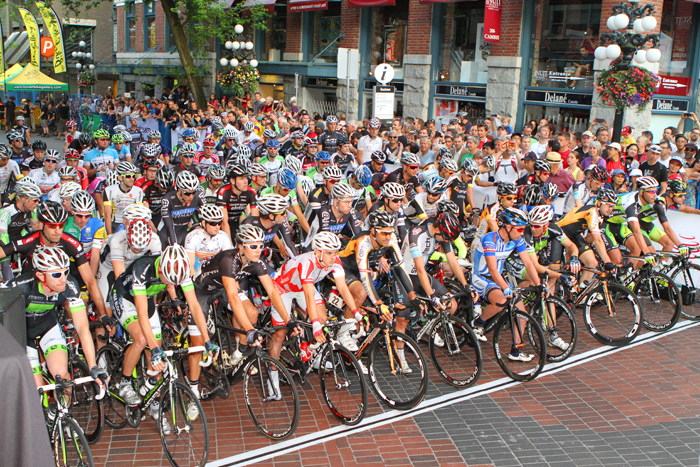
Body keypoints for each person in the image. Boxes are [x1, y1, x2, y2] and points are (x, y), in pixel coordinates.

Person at [109, 245, 218, 426]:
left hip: (147, 298)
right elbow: (142, 313)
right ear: (161, 269)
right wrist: (154, 347)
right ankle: (125, 383)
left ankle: (153, 402)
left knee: (156, 357)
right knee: (144, 339)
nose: (171, 284)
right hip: (125, 297)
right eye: (168, 280)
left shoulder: (180, 271)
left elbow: (195, 306)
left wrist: (207, 341)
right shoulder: (142, 268)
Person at [5, 246, 107, 388]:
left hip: (47, 324)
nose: (63, 279)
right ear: (41, 276)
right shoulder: (22, 287)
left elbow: (83, 328)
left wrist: (93, 366)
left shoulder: (70, 286)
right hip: (22, 330)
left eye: (65, 272)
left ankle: (64, 409)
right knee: (35, 387)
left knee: (63, 377)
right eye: (56, 275)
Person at [339, 210, 423, 372]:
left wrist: (413, 296)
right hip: (344, 267)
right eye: (383, 233)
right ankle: (343, 332)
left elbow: (400, 269)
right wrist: (378, 304)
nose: (388, 236)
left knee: (377, 281)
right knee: (362, 292)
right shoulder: (363, 241)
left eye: (390, 232)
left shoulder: (390, 239)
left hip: (362, 268)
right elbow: (364, 277)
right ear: (373, 231)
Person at [471, 208, 546, 354]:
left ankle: (515, 351)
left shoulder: (517, 240)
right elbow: (492, 269)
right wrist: (506, 287)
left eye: (524, 229)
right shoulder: (489, 239)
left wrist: (539, 285)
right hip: (481, 277)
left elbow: (529, 263)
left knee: (522, 316)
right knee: (501, 301)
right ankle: (477, 324)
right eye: (519, 229)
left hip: (498, 279)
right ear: (508, 227)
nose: (522, 233)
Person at [557, 188, 619, 285]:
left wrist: (595, 233)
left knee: (592, 263)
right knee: (557, 269)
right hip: (559, 234)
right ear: (599, 203)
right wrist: (607, 262)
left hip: (574, 235)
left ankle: (582, 294)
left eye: (612, 206)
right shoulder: (592, 212)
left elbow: (589, 239)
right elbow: (597, 240)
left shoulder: (599, 216)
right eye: (608, 205)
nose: (610, 209)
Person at [160, 170, 204, 246]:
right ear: (179, 190)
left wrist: (197, 226)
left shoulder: (198, 196)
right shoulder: (168, 199)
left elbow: (207, 215)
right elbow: (169, 227)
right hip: (166, 232)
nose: (191, 196)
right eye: (187, 193)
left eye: (193, 192)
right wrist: (174, 245)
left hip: (183, 231)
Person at [103, 162, 144, 235]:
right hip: (114, 224)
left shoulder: (139, 191)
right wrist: (109, 234)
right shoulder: (109, 190)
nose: (132, 179)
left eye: (133, 176)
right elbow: (107, 214)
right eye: (128, 176)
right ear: (120, 177)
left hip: (131, 224)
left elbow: (139, 213)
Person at [218, 164, 258, 238]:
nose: (246, 181)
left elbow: (255, 219)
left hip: (237, 221)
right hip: (222, 223)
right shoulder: (224, 191)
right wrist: (229, 246)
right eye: (241, 178)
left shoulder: (251, 192)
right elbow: (224, 222)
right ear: (233, 181)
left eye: (246, 178)